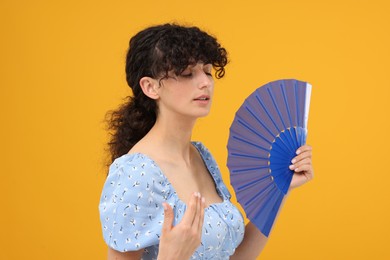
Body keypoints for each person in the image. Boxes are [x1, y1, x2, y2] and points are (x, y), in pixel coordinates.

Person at [99, 23, 314, 260]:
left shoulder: (200, 156)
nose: (205, 82)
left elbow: (234, 256)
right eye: (187, 73)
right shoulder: (136, 173)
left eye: (208, 71)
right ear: (150, 87)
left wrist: (279, 188)